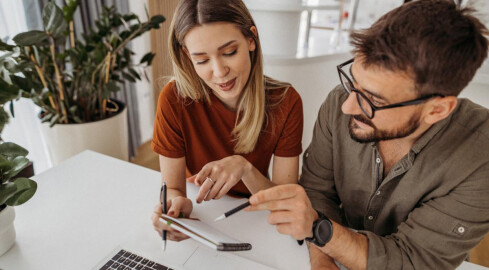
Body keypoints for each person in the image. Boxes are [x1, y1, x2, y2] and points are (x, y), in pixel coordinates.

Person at [246, 0, 489, 269]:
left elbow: (413, 260)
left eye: (372, 99)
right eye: (353, 81)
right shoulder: (343, 101)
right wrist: (323, 260)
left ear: (437, 110)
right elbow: (316, 192)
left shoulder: (481, 157)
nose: (348, 106)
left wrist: (319, 229)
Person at [151, 0, 303, 242]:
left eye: (229, 52)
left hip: (255, 216)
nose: (219, 72)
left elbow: (285, 203)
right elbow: (174, 190)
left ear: (251, 39)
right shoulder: (173, 99)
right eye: (201, 60)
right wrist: (176, 209)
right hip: (203, 210)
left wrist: (244, 168)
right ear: (186, 56)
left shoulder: (286, 102)